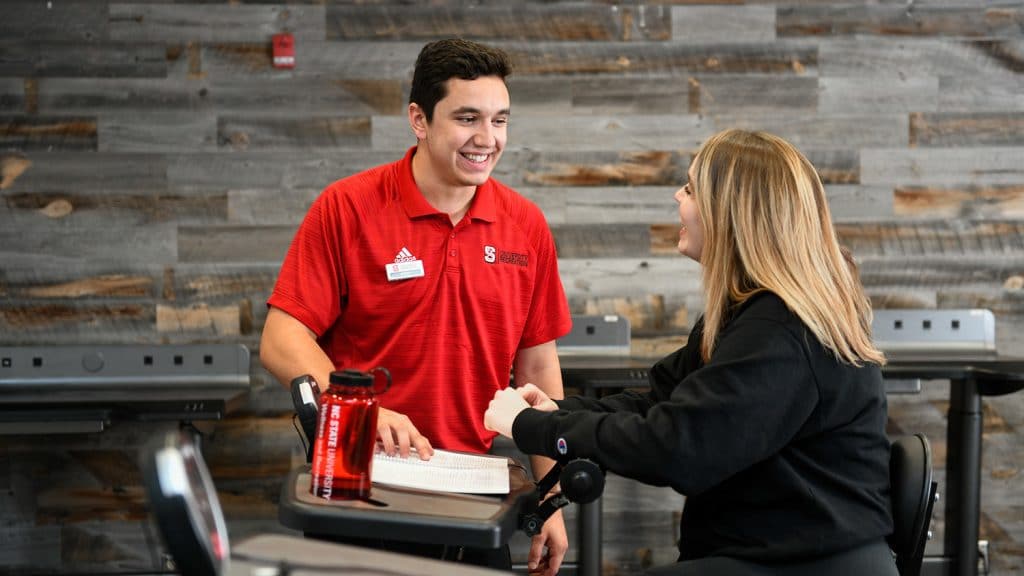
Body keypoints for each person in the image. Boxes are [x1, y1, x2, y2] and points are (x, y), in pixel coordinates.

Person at [485, 129, 898, 575]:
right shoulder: (747, 312)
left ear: (730, 212)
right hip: (762, 552)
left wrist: (538, 429)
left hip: (805, 564)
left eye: (689, 188)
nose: (676, 196)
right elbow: (657, 401)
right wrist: (555, 410)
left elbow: (679, 446)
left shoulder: (783, 329)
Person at [261, 38, 570, 574]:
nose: (487, 139)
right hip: (362, 487)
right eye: (467, 118)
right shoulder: (348, 207)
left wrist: (551, 492)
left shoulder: (527, 226)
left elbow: (539, 370)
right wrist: (366, 412)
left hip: (474, 495)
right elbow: (281, 338)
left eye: (500, 120)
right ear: (419, 120)